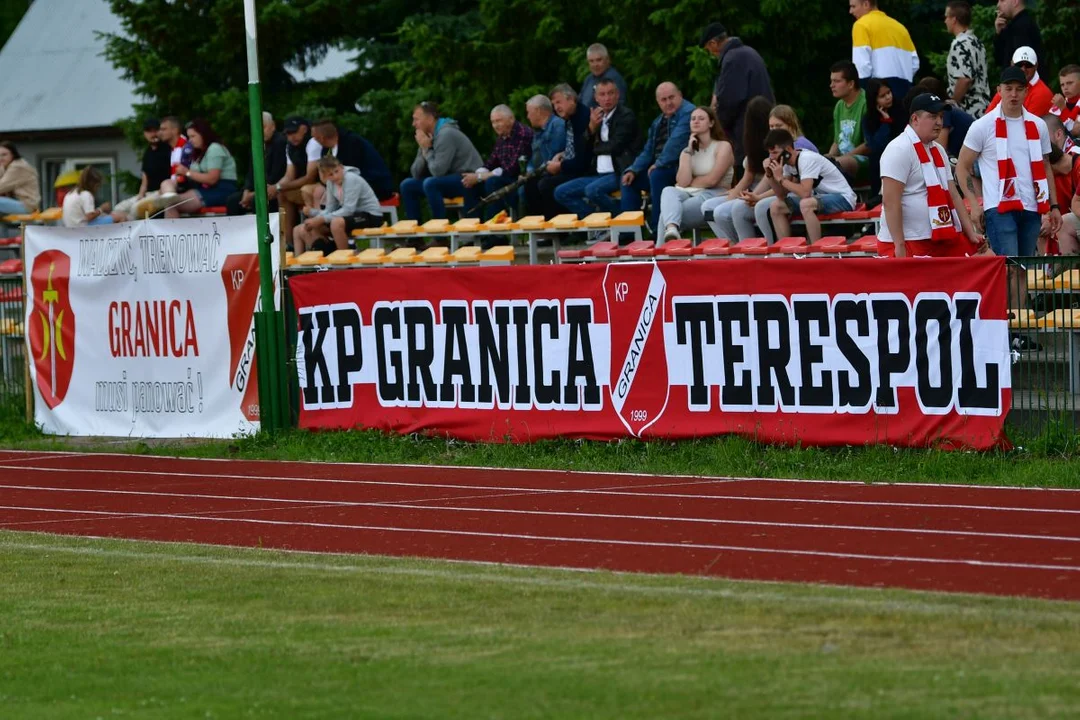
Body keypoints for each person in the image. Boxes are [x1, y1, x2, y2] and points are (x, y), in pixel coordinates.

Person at [957, 67, 1060, 311]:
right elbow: (961, 167)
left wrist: (1054, 206)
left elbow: (1046, 168)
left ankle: (1018, 328)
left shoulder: (1038, 125)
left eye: (1018, 89)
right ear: (999, 91)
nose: (1013, 94)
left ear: (1026, 92)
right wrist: (974, 204)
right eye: (1008, 89)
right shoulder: (983, 126)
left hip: (1032, 206)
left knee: (1022, 269)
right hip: (999, 207)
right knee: (1010, 268)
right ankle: (1006, 328)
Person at [878, 94, 983, 258]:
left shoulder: (939, 150)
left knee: (989, 259)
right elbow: (890, 202)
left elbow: (954, 195)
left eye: (941, 117)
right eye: (933, 116)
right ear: (915, 119)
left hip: (942, 235)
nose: (939, 122)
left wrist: (970, 232)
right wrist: (899, 245)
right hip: (911, 240)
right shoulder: (898, 149)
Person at [553, 79, 639, 220]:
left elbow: (615, 146)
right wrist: (591, 127)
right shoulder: (595, 116)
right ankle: (598, 224)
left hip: (618, 171)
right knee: (561, 192)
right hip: (597, 173)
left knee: (592, 190)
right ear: (596, 98)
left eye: (610, 93)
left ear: (617, 95)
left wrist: (594, 147)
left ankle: (623, 222)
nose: (607, 98)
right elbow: (580, 147)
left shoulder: (625, 116)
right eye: (602, 94)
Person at [619, 82, 693, 232]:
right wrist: (633, 170)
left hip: (681, 168)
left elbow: (675, 144)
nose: (668, 103)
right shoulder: (658, 121)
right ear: (658, 102)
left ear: (680, 95)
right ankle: (630, 232)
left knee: (657, 175)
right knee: (628, 179)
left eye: (671, 97)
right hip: (661, 168)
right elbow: (647, 150)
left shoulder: (688, 113)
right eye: (663, 100)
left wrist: (658, 164)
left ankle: (658, 229)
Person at [763, 128, 857, 244]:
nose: (772, 157)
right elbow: (781, 195)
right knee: (776, 206)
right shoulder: (787, 164)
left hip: (843, 198)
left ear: (787, 150)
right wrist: (770, 175)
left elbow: (805, 193)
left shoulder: (806, 159)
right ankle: (787, 250)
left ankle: (816, 249)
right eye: (770, 153)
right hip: (821, 199)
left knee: (806, 203)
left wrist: (781, 179)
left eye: (775, 153)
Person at [700, 22, 773, 164]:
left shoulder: (732, 59)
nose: (711, 53)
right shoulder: (749, 52)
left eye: (709, 49)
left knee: (744, 171)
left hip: (744, 130)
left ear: (713, 43)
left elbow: (729, 101)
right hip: (761, 123)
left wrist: (718, 128)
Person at [658, 106, 734, 242]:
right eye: (693, 119)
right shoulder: (686, 152)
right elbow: (682, 182)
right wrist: (689, 151)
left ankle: (662, 255)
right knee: (668, 190)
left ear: (711, 123)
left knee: (666, 215)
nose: (696, 121)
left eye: (701, 118)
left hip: (712, 195)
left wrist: (692, 181)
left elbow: (713, 180)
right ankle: (671, 231)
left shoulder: (723, 146)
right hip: (688, 194)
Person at [703, 96, 773, 241]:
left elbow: (764, 179)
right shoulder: (753, 144)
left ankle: (741, 245)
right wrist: (731, 196)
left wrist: (743, 197)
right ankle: (729, 244)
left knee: (723, 211)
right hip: (752, 190)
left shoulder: (773, 143)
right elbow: (748, 177)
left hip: (764, 192)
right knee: (708, 206)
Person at [400, 102, 485, 221]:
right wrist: (424, 148)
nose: (414, 124)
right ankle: (414, 236)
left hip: (468, 177)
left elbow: (438, 171)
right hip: (448, 177)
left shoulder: (446, 134)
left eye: (416, 120)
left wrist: (427, 149)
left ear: (429, 119)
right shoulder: (427, 136)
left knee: (430, 183)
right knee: (407, 185)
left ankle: (440, 235)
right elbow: (415, 173)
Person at [292, 155, 383, 253]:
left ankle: (343, 258)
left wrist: (321, 219)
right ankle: (303, 263)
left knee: (336, 223)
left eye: (336, 171)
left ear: (341, 167)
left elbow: (348, 210)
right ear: (325, 176)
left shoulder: (351, 179)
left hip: (370, 215)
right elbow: (330, 208)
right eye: (330, 174)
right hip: (352, 216)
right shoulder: (331, 183)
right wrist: (315, 215)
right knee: (300, 228)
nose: (335, 176)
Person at [527, 85, 592, 219]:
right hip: (571, 166)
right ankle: (543, 231)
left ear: (572, 100)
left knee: (546, 185)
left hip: (584, 170)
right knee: (532, 184)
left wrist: (560, 166)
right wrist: (562, 155)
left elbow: (581, 161)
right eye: (554, 104)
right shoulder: (569, 119)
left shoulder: (582, 119)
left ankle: (562, 230)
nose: (556, 108)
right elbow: (572, 150)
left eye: (558, 102)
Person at [462, 105, 533, 219]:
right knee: (469, 183)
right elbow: (491, 162)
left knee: (492, 182)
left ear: (511, 119)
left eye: (499, 121)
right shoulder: (502, 137)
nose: (495, 125)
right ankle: (472, 229)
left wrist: (481, 177)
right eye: (493, 122)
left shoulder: (522, 134)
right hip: (506, 177)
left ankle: (496, 233)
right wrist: (476, 176)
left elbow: (512, 169)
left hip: (520, 179)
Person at [163, 119, 239, 218]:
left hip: (221, 190)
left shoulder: (214, 148)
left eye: (193, 136)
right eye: (189, 137)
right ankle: (168, 196)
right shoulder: (198, 152)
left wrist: (187, 172)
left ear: (203, 134)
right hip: (204, 190)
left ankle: (174, 231)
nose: (190, 140)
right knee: (167, 184)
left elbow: (212, 179)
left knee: (172, 205)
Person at [849, 0, 919, 101]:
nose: (850, 11)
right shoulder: (900, 27)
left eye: (853, 6)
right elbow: (914, 63)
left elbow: (862, 66)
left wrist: (866, 92)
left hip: (879, 92)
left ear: (866, 4)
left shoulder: (861, 25)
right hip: (905, 90)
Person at [311, 119, 394, 201]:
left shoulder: (352, 143)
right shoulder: (326, 150)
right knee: (315, 192)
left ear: (321, 138)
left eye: (314, 137)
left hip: (375, 184)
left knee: (333, 194)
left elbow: (351, 174)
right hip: (349, 185)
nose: (313, 140)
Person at [227, 112, 288, 216]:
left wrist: (253, 194)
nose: (260, 132)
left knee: (258, 200)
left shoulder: (280, 143)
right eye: (257, 128)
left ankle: (264, 231)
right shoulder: (256, 144)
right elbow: (251, 172)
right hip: (257, 189)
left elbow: (276, 174)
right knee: (233, 200)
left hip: (275, 188)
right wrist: (246, 190)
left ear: (273, 126)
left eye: (263, 127)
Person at [115, 118, 172, 220]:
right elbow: (144, 181)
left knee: (135, 210)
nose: (152, 134)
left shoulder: (168, 149)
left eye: (155, 130)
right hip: (147, 194)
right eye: (149, 131)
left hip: (161, 193)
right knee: (119, 208)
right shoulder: (147, 153)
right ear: (145, 134)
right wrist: (140, 195)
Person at [276, 116, 322, 240]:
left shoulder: (313, 142)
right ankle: (288, 241)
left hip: (321, 185)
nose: (291, 137)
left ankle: (317, 235)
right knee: (281, 193)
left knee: (306, 189)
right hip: (307, 186)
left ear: (304, 129)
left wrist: (279, 187)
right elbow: (289, 175)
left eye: (294, 132)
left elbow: (310, 178)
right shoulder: (289, 147)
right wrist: (275, 188)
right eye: (288, 134)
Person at [1041, 115, 1080, 255]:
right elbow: (1071, 205)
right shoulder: (1058, 168)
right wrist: (1047, 218)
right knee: (1043, 225)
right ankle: (1049, 271)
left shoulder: (1077, 161)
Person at [944, 1, 991, 118]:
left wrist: (953, 101)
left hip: (968, 110)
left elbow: (965, 79)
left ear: (954, 19)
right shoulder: (977, 42)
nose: (945, 21)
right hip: (984, 108)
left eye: (946, 17)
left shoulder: (959, 44)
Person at [523, 94, 566, 216]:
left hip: (557, 171)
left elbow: (553, 156)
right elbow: (534, 159)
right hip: (543, 171)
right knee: (529, 184)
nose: (527, 116)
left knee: (542, 185)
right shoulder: (538, 133)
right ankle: (540, 227)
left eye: (529, 112)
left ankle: (554, 227)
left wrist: (535, 172)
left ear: (537, 111)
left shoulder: (558, 126)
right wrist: (528, 172)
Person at [863, 78, 906, 196]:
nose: (888, 97)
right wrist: (886, 122)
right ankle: (877, 195)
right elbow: (874, 146)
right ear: (874, 100)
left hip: (901, 155)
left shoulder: (901, 110)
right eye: (882, 96)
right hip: (881, 157)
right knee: (875, 158)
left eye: (889, 92)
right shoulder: (868, 119)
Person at [827, 61, 869, 181]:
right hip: (841, 159)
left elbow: (868, 145)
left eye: (837, 81)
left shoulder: (866, 103)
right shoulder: (839, 106)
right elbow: (837, 141)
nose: (831, 85)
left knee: (838, 163)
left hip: (862, 160)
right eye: (831, 81)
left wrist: (839, 159)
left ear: (851, 84)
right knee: (819, 161)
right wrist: (828, 157)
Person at [986, 46, 1053, 117]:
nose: (1023, 69)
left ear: (1036, 66)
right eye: (1019, 65)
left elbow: (1030, 125)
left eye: (1028, 65)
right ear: (1012, 64)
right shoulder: (1005, 87)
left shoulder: (1042, 94)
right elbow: (986, 119)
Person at [994, 0, 1044, 79]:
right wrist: (999, 34)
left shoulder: (1022, 26)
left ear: (1015, 1)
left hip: (1023, 87)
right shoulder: (1012, 26)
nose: (998, 5)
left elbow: (1024, 64)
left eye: (1002, 1)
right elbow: (1000, 60)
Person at [578, 44, 628, 109]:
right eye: (591, 61)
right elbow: (580, 101)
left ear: (607, 60)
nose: (595, 64)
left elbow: (618, 107)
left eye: (599, 60)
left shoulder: (613, 79)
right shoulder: (588, 79)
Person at [0, 141, 41, 215]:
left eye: (4, 155)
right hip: (17, 202)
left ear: (13, 154)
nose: (1, 158)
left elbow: (2, 186)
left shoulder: (18, 166)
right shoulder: (6, 166)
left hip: (26, 205)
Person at [1050, 65, 1080, 139]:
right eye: (1062, 85)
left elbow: (1075, 131)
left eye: (1069, 83)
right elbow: (1049, 128)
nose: (1065, 88)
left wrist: (1063, 109)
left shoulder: (1061, 104)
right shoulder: (1060, 102)